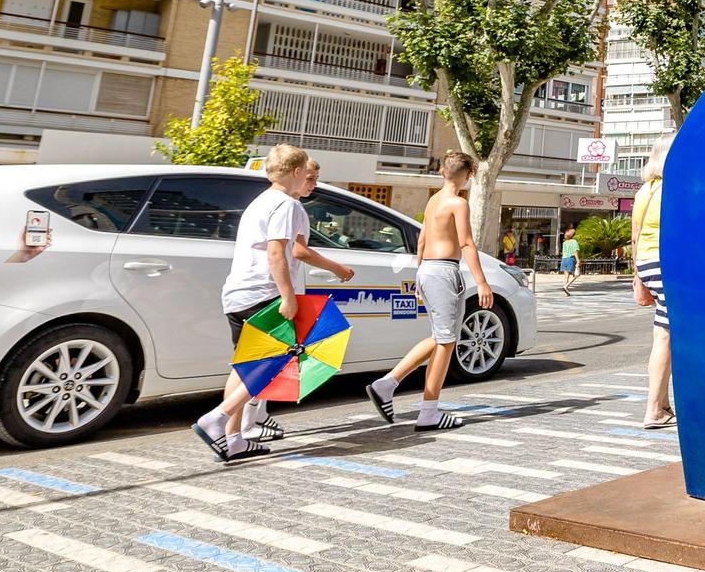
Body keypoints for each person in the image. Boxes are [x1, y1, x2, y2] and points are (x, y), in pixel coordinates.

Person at [192, 145, 353, 464]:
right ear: (296, 172)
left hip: (238, 293)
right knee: (278, 360)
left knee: (243, 368)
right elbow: (277, 253)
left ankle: (233, 439)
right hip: (265, 293)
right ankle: (218, 418)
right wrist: (289, 297)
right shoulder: (287, 205)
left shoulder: (259, 201)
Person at [366, 151, 494, 431]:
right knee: (447, 343)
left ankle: (387, 384)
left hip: (427, 270)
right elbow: (468, 244)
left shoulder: (433, 200)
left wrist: (419, 279)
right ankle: (428, 411)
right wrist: (482, 282)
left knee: (440, 337)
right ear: (469, 175)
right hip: (445, 271)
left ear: (441, 172)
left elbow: (422, 241)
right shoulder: (458, 203)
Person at [631, 135, 673, 428]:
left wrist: (637, 277)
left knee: (662, 334)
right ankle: (654, 410)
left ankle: (661, 405)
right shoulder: (674, 189)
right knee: (670, 336)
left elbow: (635, 234)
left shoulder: (644, 190)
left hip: (646, 262)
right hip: (667, 262)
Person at [559, 226, 581, 294]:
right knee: (576, 274)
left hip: (564, 259)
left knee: (566, 276)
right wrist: (578, 260)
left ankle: (566, 289)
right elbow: (575, 251)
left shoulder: (564, 243)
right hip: (570, 259)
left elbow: (563, 252)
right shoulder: (574, 242)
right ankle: (566, 286)